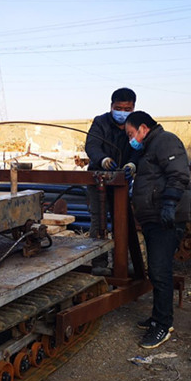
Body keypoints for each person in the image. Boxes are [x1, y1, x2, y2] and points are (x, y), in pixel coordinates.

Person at [123, 110, 191, 349]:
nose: (130, 138)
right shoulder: (149, 147)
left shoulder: (165, 141)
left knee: (160, 271)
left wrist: (169, 204)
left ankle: (163, 325)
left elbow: (179, 174)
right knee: (155, 270)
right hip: (154, 218)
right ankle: (157, 317)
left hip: (166, 219)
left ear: (143, 128)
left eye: (131, 133)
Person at [84, 87, 136, 274]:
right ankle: (99, 264)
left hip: (122, 181)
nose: (122, 113)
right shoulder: (100, 122)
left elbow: (140, 148)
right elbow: (91, 145)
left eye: (127, 109)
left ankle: (122, 262)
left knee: (122, 221)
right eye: (118, 108)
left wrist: (133, 164)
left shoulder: (136, 124)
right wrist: (103, 159)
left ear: (133, 108)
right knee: (98, 221)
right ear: (111, 106)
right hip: (98, 179)